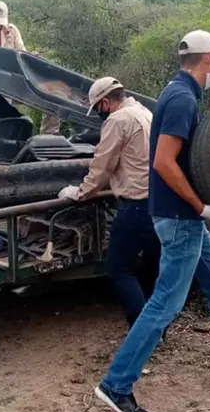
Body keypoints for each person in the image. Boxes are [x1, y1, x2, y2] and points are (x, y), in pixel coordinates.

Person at [94, 30, 210, 412]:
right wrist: (200, 205)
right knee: (165, 303)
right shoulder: (182, 99)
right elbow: (164, 162)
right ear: (208, 60)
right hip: (179, 217)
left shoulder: (178, 93)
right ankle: (116, 385)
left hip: (182, 217)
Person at [57, 77, 161, 329]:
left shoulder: (118, 120)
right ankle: (158, 328)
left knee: (118, 268)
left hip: (135, 204)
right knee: (151, 268)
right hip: (157, 203)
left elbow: (102, 166)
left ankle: (143, 329)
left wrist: (80, 193)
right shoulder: (145, 112)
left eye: (98, 110)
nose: (99, 116)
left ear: (105, 102)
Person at [0, 0, 60, 135]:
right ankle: (4, 140)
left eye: (0, 24)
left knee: (51, 94)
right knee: (2, 107)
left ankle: (50, 137)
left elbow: (22, 57)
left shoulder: (12, 31)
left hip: (15, 83)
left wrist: (31, 57)